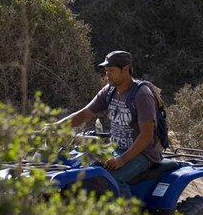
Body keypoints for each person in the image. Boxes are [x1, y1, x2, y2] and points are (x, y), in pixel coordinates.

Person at [56, 50, 162, 197]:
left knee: (113, 179)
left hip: (143, 153)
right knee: (84, 171)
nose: (107, 74)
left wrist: (122, 160)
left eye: (111, 70)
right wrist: (56, 127)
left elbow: (146, 135)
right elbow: (85, 113)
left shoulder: (141, 94)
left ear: (125, 69)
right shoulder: (110, 90)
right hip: (116, 148)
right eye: (106, 71)